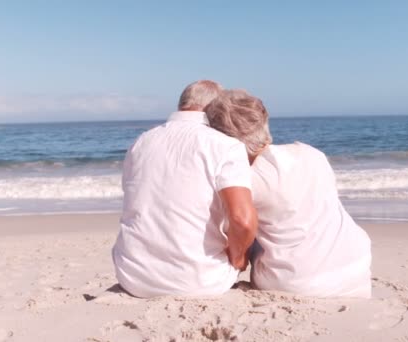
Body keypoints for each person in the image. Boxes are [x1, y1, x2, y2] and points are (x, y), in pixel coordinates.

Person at [204, 89, 372, 298]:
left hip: (297, 283)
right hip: (355, 267)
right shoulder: (311, 153)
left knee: (238, 228)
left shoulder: (246, 180)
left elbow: (239, 228)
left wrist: (238, 261)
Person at [112, 81, 258, 298]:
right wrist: (238, 258)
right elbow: (243, 220)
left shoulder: (141, 142)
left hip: (132, 277)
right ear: (215, 108)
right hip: (199, 281)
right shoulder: (225, 145)